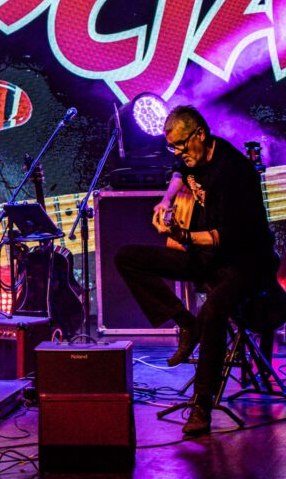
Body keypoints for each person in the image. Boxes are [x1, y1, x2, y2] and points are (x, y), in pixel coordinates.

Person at [115, 105, 279, 436]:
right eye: (171, 147)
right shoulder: (193, 156)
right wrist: (166, 201)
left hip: (245, 262)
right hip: (208, 257)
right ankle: (187, 323)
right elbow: (179, 172)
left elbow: (230, 236)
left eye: (180, 145)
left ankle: (202, 405)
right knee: (127, 257)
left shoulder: (234, 172)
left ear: (200, 135)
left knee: (215, 310)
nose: (177, 153)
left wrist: (183, 236)